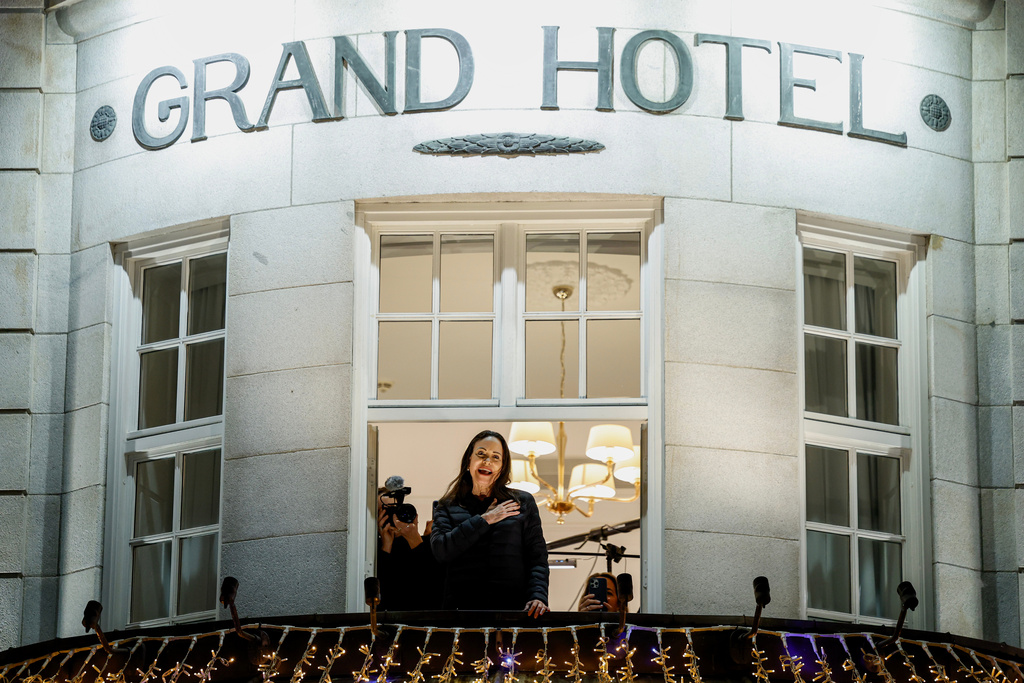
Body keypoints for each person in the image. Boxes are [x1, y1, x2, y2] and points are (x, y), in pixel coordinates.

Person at [430, 430, 549, 617]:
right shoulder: (446, 506)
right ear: (469, 460)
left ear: (502, 467)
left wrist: (538, 596)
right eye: (481, 454)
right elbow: (441, 551)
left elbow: (537, 558)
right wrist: (486, 519)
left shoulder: (523, 502)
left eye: (496, 457)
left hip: (513, 611)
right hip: (460, 613)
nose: (487, 461)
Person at [376, 487, 444, 611]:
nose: (394, 517)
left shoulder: (426, 543)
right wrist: (386, 547)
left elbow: (435, 588)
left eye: (396, 510)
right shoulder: (374, 551)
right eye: (387, 512)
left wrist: (416, 539)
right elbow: (380, 592)